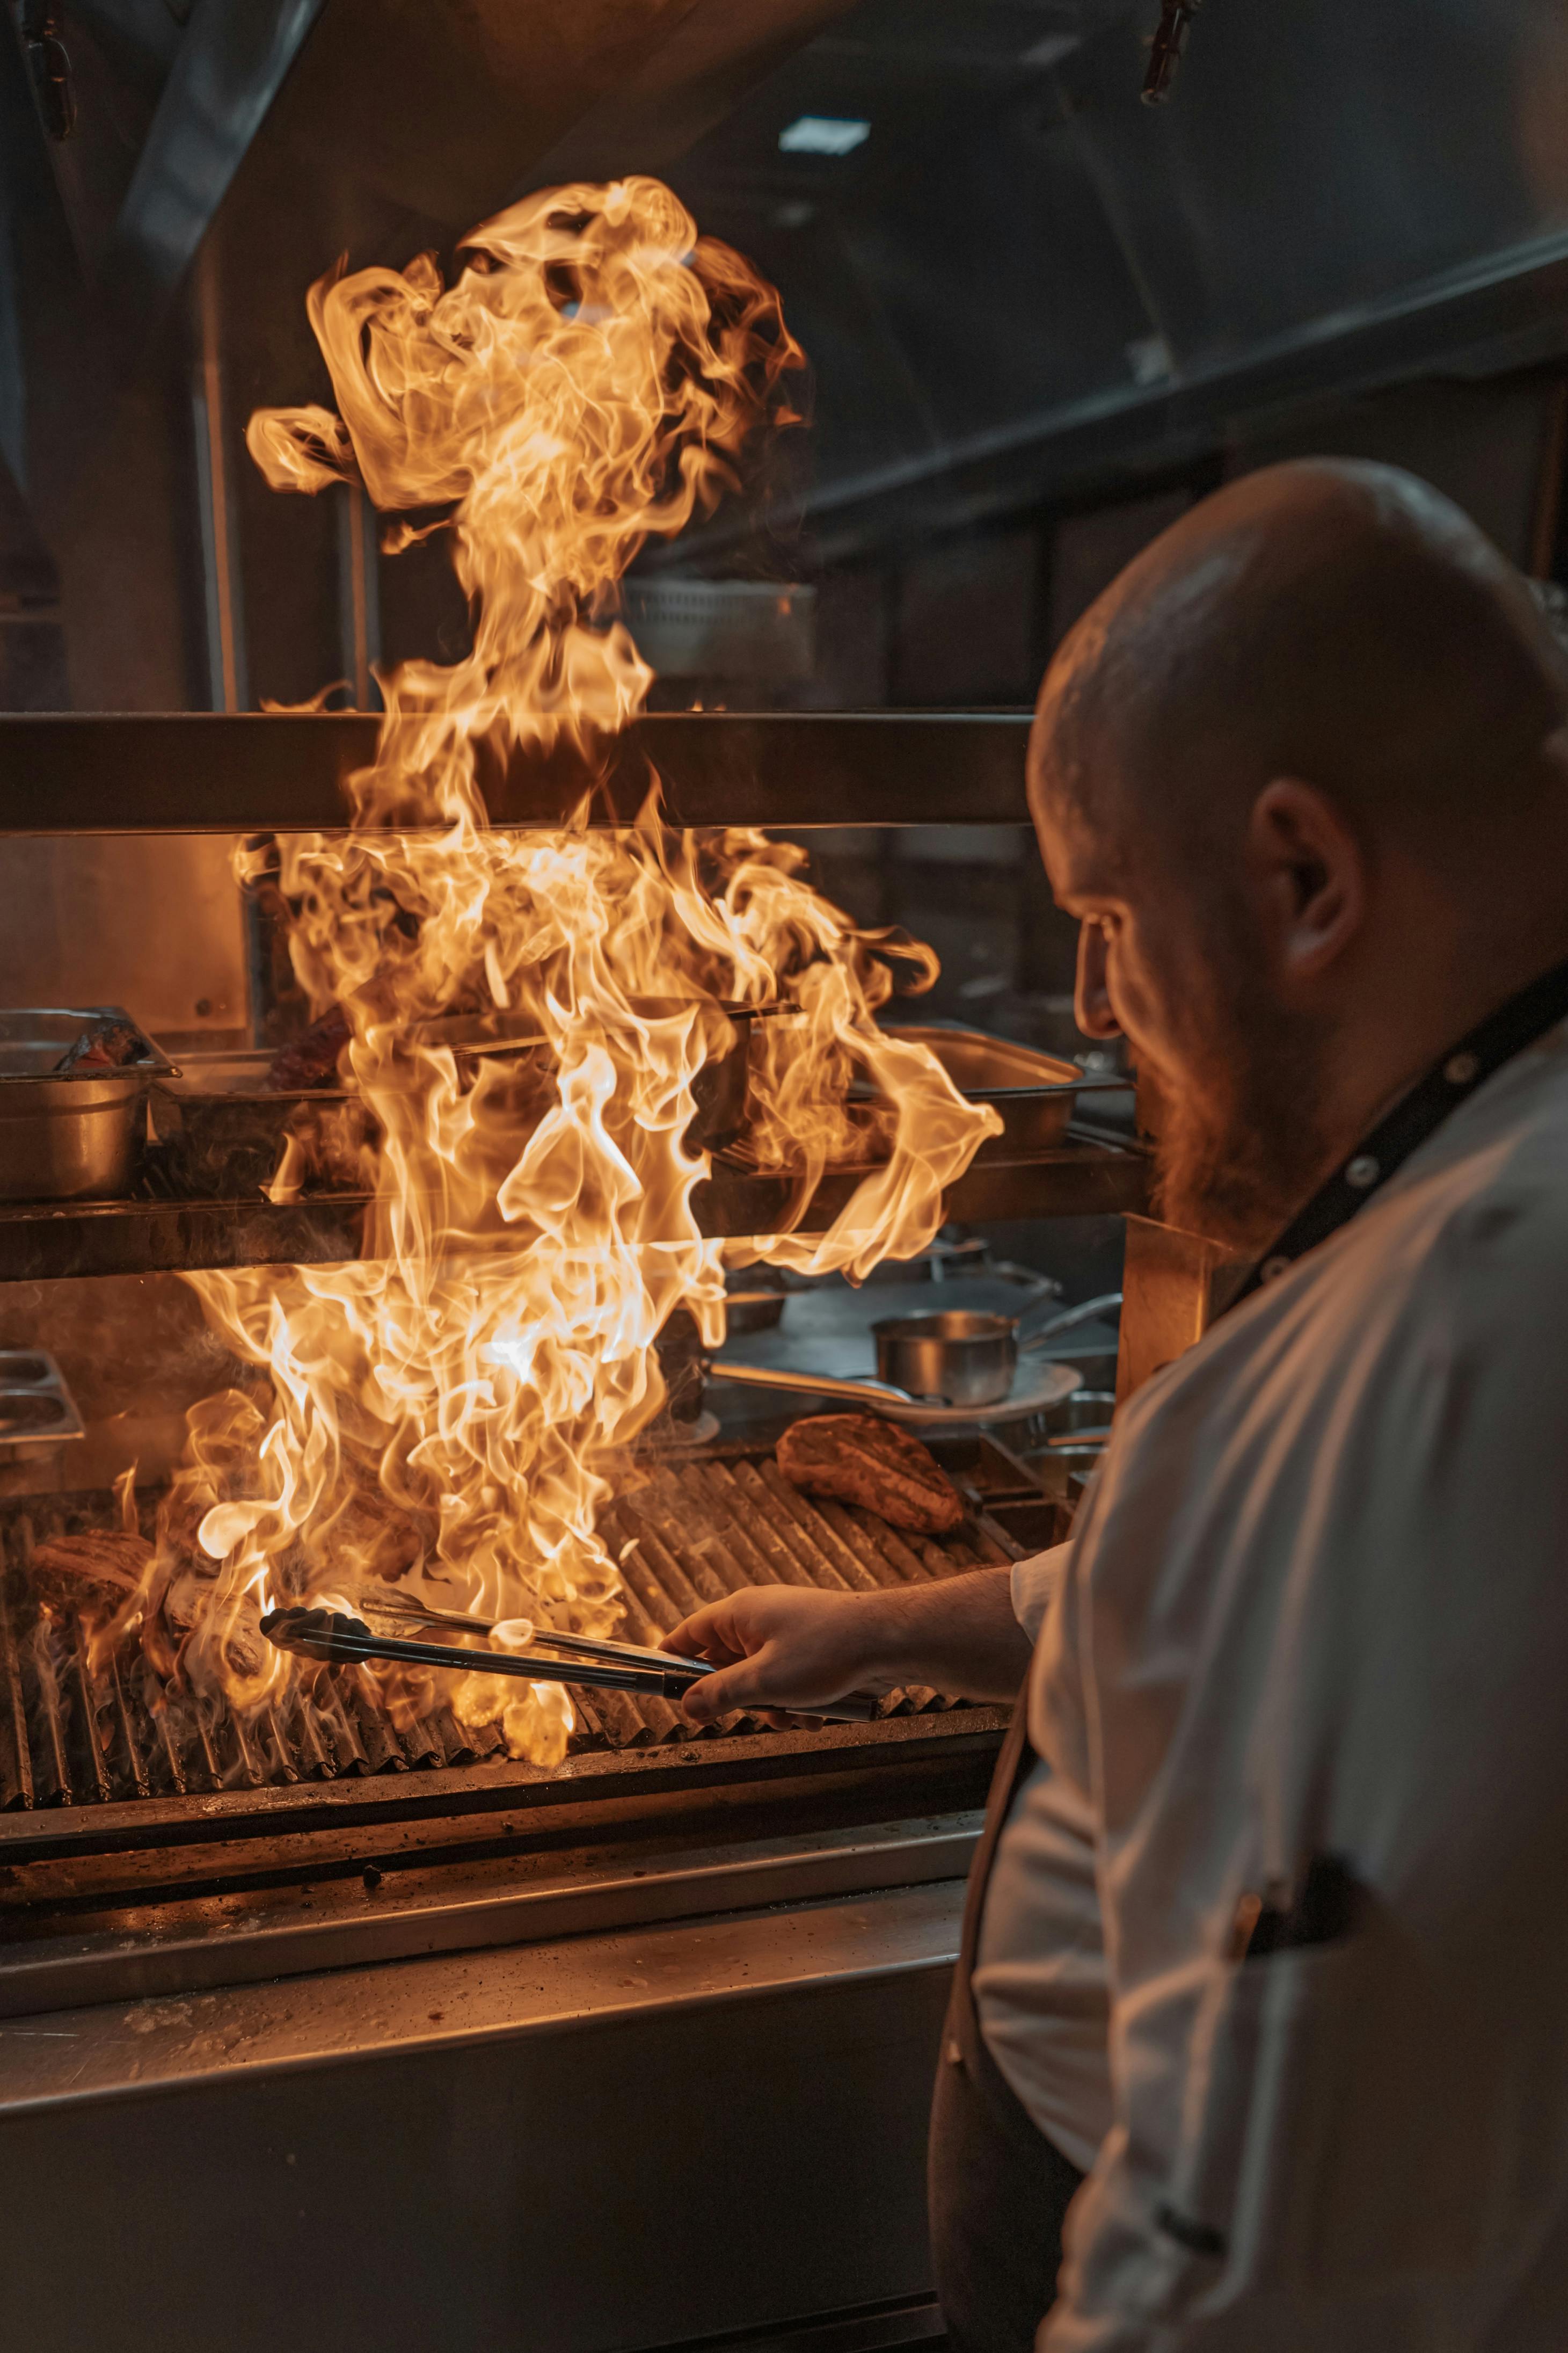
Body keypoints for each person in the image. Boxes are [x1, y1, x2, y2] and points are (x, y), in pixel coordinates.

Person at [663, 458, 1568, 2349]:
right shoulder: (1469, 1209)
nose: (1090, 1007)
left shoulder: (1443, 1350)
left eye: (1104, 917)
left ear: (1302, 879)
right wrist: (888, 1630)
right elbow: (1286, 1613)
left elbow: (1294, 2262)